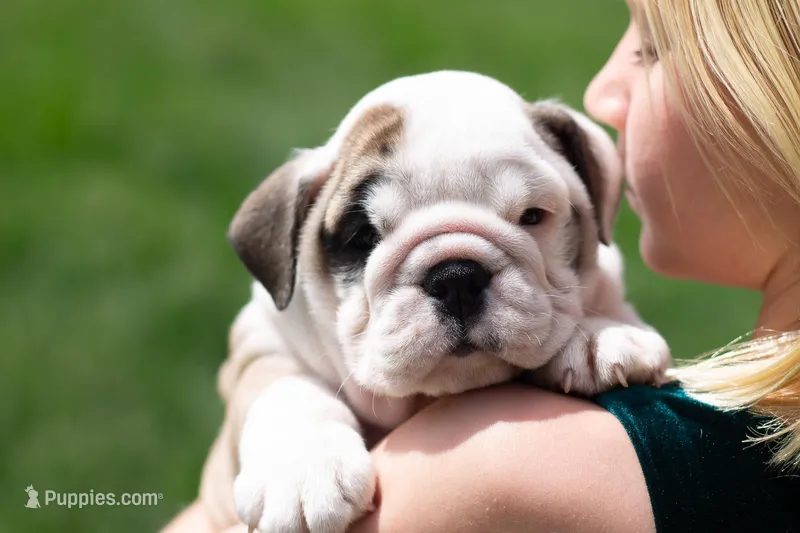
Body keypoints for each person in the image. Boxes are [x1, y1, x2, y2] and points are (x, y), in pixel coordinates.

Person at [164, 0, 800, 531]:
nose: (458, 283)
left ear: (588, 200)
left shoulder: (485, 480)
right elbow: (272, 367)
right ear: (289, 249)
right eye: (365, 237)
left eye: (527, 217)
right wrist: (290, 419)